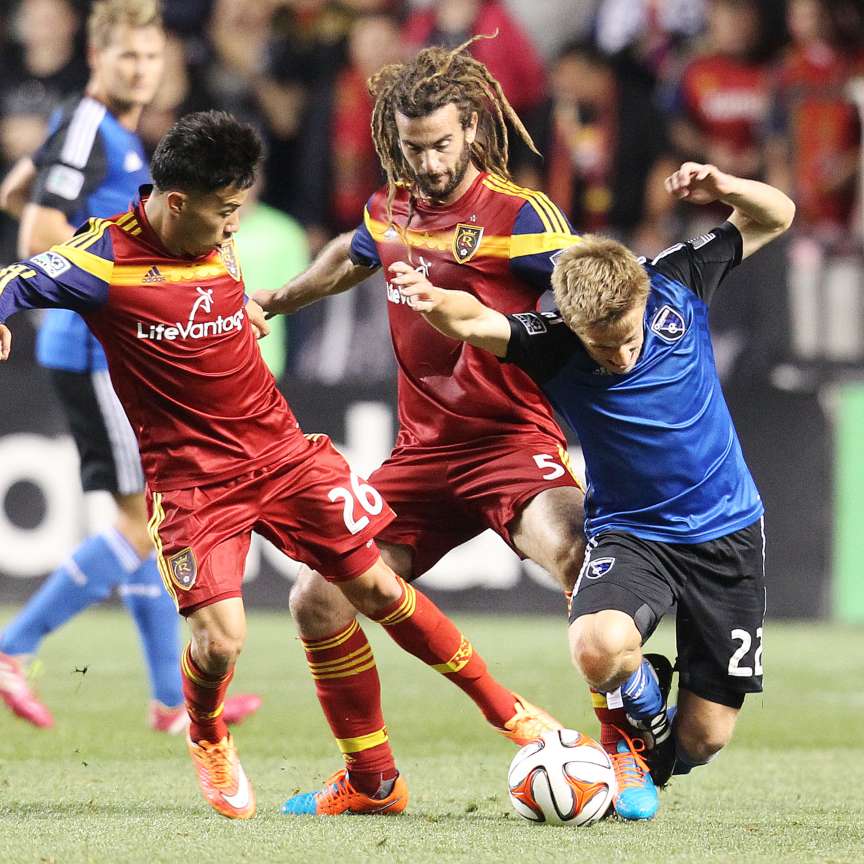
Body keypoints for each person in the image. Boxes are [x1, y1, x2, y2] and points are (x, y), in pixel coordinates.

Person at [0, 108, 561, 822]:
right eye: (225, 212)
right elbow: (18, 275)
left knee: (376, 587)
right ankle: (205, 732)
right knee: (222, 637)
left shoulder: (214, 230)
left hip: (282, 452)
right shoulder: (102, 260)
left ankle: (509, 714)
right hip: (193, 481)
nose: (235, 226)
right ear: (176, 203)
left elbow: (211, 300)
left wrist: (240, 312)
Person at [255, 39, 656, 819]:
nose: (430, 163)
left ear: (471, 126)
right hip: (423, 457)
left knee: (580, 555)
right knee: (317, 598)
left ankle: (624, 753)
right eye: (413, 148)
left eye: (441, 144)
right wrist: (280, 298)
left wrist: (628, 366)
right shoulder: (391, 207)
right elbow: (354, 252)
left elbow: (594, 287)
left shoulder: (520, 215)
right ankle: (372, 781)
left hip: (513, 447)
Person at [392, 161, 795, 821]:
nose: (621, 357)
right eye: (603, 347)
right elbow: (478, 322)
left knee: (704, 738)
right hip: (634, 534)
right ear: (572, 324)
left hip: (728, 534)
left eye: (628, 337)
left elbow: (775, 213)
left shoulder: (677, 279)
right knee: (595, 646)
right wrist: (435, 302)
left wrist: (724, 185)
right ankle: (628, 735)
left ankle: (648, 740)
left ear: (641, 298)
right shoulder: (551, 344)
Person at [0, 0, 259, 734]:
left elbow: (17, 187)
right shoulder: (88, 124)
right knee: (144, 525)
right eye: (128, 59)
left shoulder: (91, 130)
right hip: (97, 349)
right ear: (97, 57)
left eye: (151, 58)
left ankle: (169, 700)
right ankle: (12, 648)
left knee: (144, 518)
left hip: (100, 349)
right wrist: (99, 286)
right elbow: (38, 224)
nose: (142, 71)